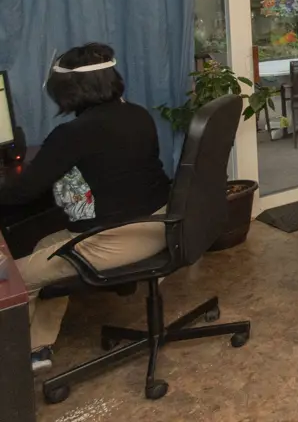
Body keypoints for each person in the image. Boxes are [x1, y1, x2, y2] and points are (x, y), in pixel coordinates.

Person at [0, 44, 171, 372]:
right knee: (43, 247)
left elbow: (23, 191)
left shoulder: (74, 134)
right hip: (161, 223)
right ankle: (37, 347)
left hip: (118, 237)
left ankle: (10, 373)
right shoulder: (138, 114)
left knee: (13, 281)